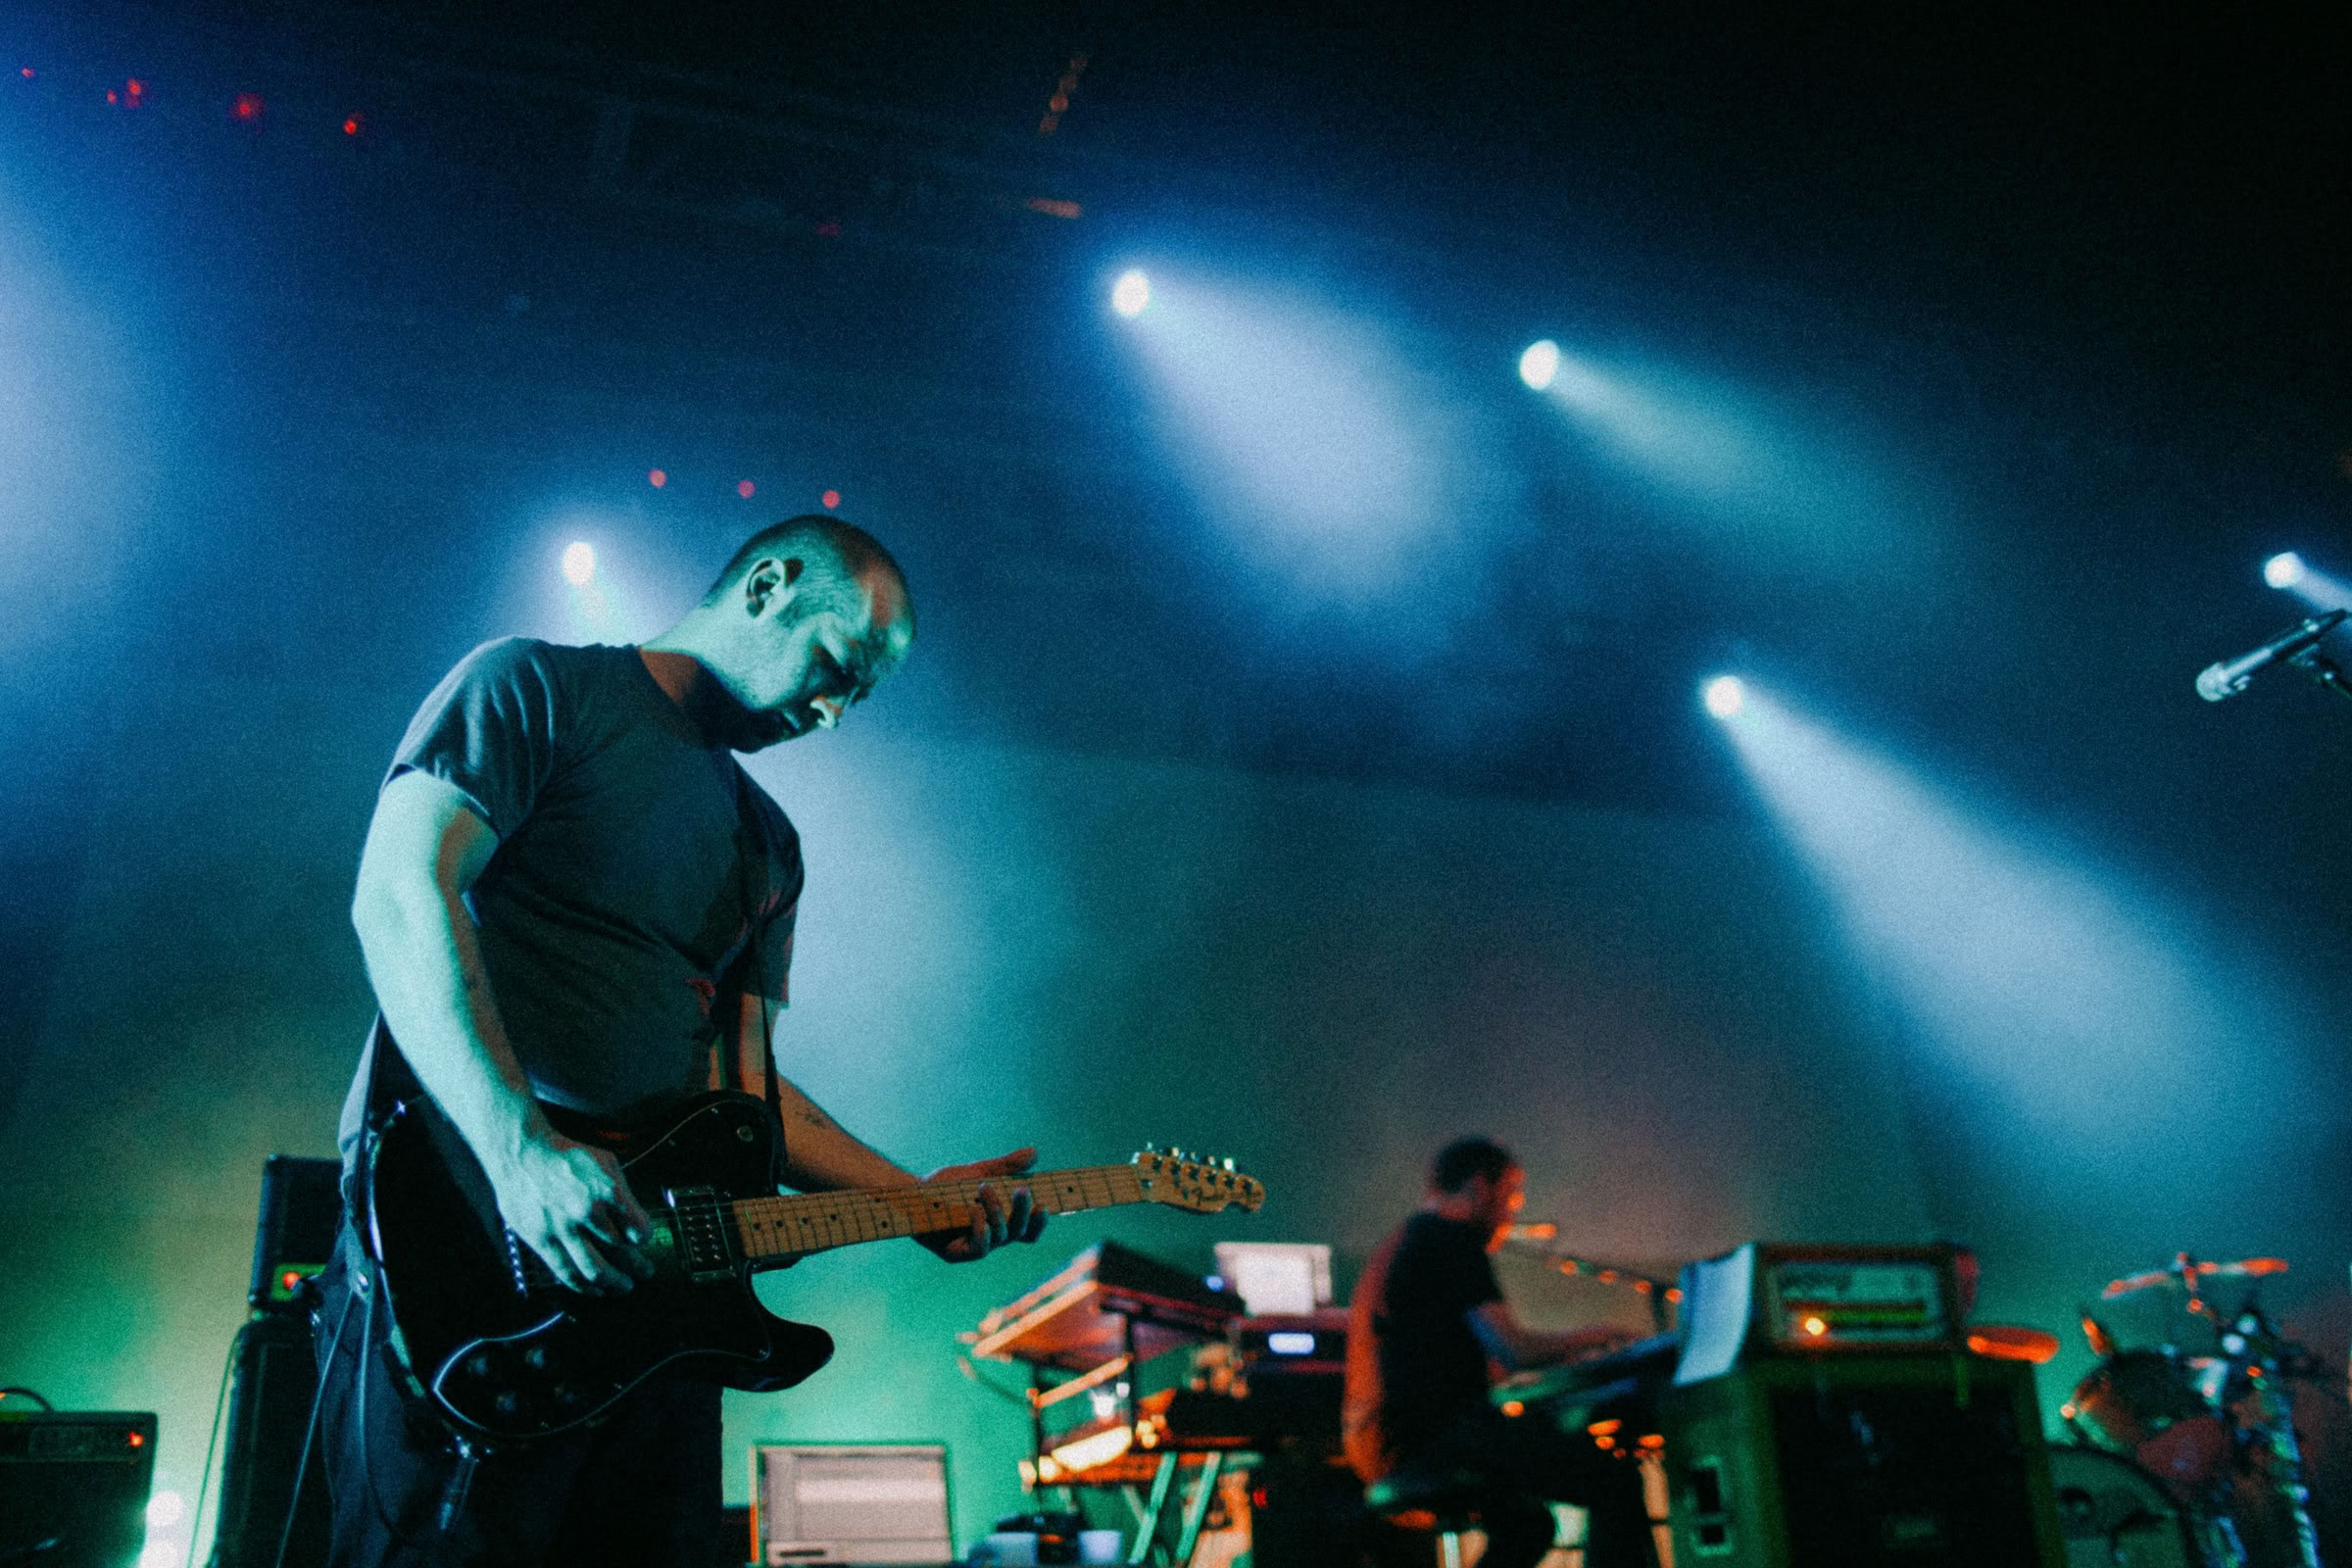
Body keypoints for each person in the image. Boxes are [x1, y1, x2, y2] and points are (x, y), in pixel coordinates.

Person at [313, 515, 1048, 1567]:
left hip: (651, 1324)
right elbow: (398, 891)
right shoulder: (536, 687)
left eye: (858, 696)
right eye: (834, 666)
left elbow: (749, 1106)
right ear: (768, 585)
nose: (833, 712)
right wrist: (520, 1152)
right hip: (461, 1254)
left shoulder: (771, 849)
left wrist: (917, 1200)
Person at [1344, 1137, 1651, 1568]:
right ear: (1480, 1187)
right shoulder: (1452, 1239)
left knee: (1527, 1526)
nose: (1511, 1213)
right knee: (1613, 1479)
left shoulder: (1407, 1241)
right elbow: (1514, 1350)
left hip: (1386, 1444)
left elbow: (1473, 1363)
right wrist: (1592, 1337)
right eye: (1510, 1196)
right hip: (1434, 1438)